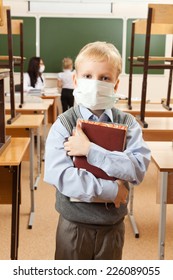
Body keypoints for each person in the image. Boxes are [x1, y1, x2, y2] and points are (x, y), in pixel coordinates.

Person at [44, 41, 151, 260]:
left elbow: (137, 168)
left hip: (112, 226)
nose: (95, 83)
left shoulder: (128, 124)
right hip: (74, 226)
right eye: (88, 76)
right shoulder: (64, 124)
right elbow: (62, 176)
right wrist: (112, 191)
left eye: (104, 78)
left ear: (116, 84)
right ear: (75, 80)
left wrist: (90, 150)